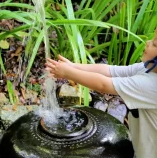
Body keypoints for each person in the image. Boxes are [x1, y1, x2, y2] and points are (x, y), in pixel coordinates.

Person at [45, 29, 157, 158]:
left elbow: (104, 84)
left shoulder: (152, 85)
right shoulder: (148, 69)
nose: (148, 42)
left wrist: (68, 73)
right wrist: (73, 67)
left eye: (155, 44)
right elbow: (109, 70)